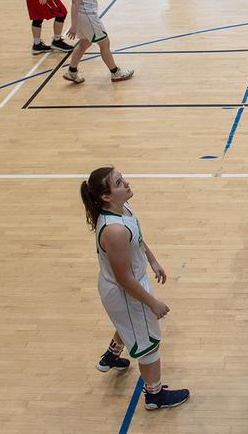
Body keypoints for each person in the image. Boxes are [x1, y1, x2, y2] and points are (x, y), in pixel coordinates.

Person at [80, 167, 190, 410]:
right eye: (119, 183)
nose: (126, 183)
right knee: (149, 342)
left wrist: (152, 260)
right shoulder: (114, 230)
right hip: (126, 289)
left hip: (131, 282)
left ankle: (112, 354)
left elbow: (137, 238)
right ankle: (155, 395)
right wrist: (153, 303)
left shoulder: (122, 209)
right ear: (107, 196)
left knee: (130, 324)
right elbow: (123, 279)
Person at [63, 0, 135, 83]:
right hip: (88, 16)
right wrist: (72, 26)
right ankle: (115, 72)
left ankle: (72, 71)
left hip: (84, 17)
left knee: (84, 43)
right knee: (104, 43)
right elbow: (74, 2)